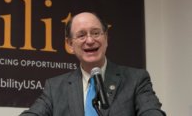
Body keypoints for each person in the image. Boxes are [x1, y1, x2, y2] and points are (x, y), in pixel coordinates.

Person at [19, 12, 166, 116]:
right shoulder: (55, 87)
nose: (90, 40)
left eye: (96, 33)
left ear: (106, 38)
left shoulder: (136, 79)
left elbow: (151, 112)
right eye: (81, 35)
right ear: (70, 44)